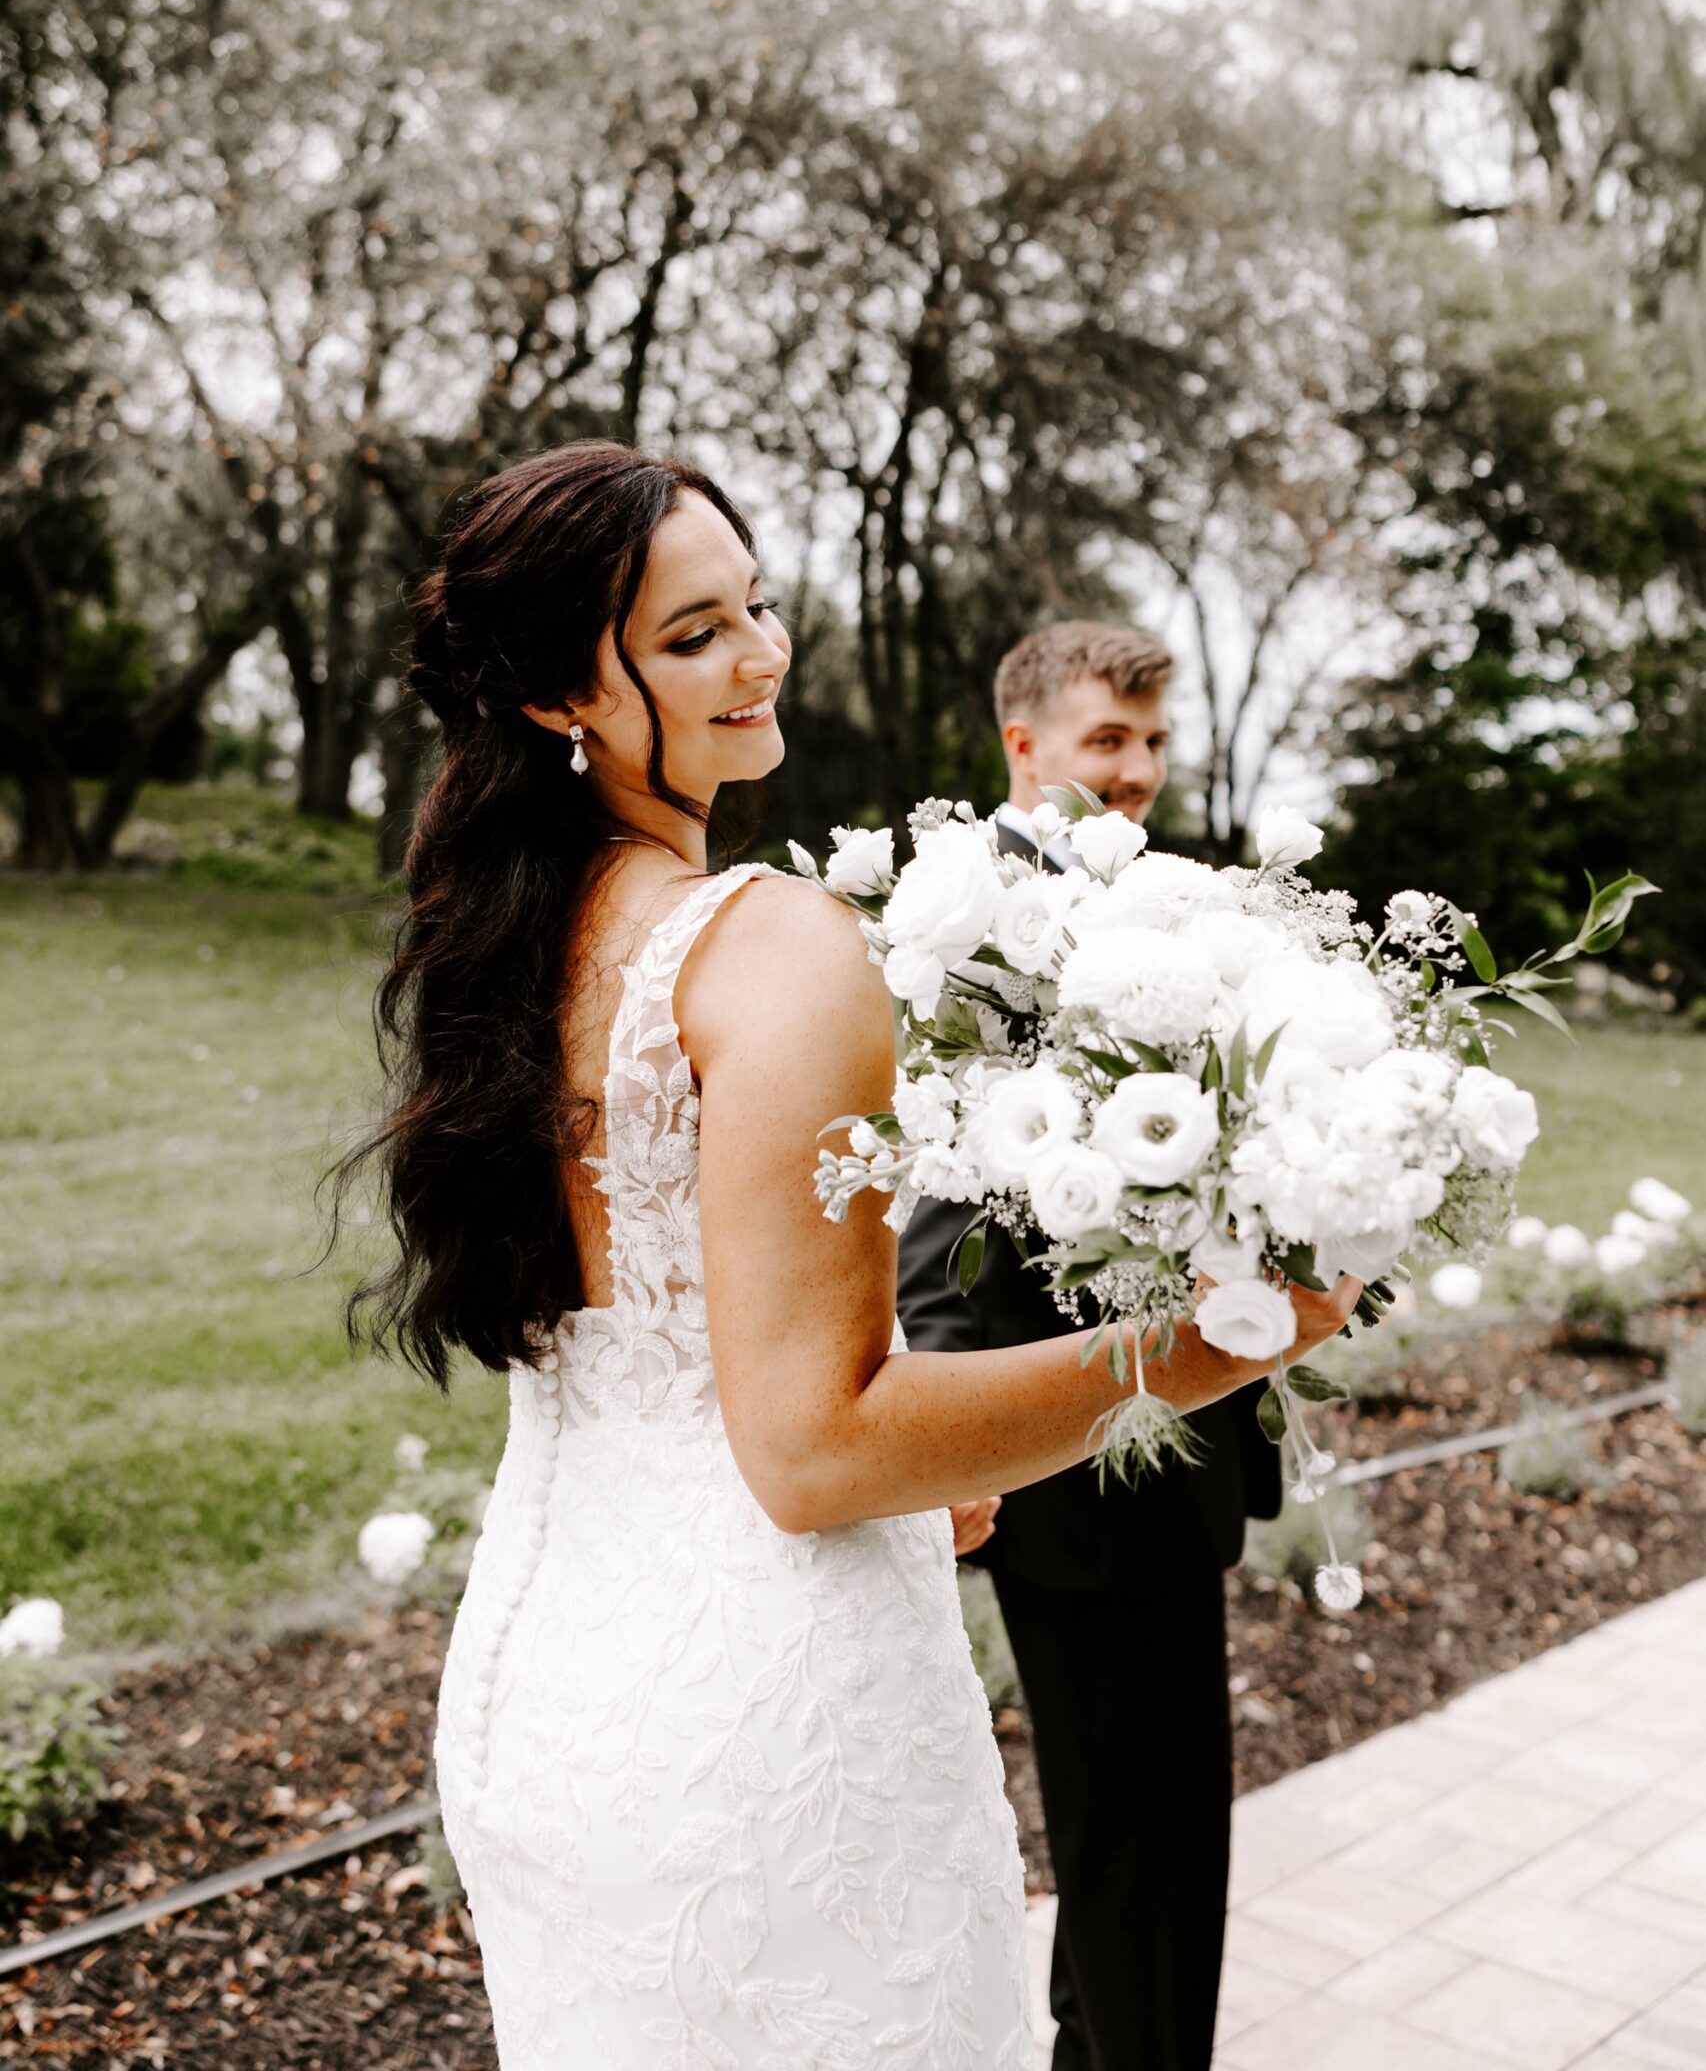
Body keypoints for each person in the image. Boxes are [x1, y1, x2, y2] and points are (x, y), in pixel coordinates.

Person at [336, 450, 1356, 2071]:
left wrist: (934, 1447)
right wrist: (1214, 1346)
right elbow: (811, 1450)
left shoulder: (505, 947)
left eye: (757, 607)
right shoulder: (772, 947)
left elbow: (675, 1346)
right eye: (691, 635)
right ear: (554, 695)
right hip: (773, 1726)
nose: (758, 657)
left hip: (552, 1691)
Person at [897, 620, 1281, 2071]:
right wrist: (945, 1424)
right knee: (1137, 1844)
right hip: (1070, 1460)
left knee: (1165, 1837)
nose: (1133, 771)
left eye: (1150, 743)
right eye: (1104, 740)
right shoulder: (976, 929)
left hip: (1181, 1449)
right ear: (1023, 747)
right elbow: (931, 1192)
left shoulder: (1177, 907)